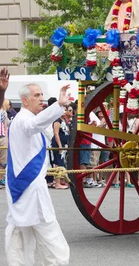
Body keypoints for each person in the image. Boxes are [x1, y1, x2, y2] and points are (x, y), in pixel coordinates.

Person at [5, 81, 71, 265]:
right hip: (30, 188)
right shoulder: (24, 120)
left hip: (23, 187)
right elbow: (33, 126)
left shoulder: (27, 119)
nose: (41, 99)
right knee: (48, 234)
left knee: (22, 233)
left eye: (42, 95)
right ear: (25, 100)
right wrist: (58, 105)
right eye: (37, 96)